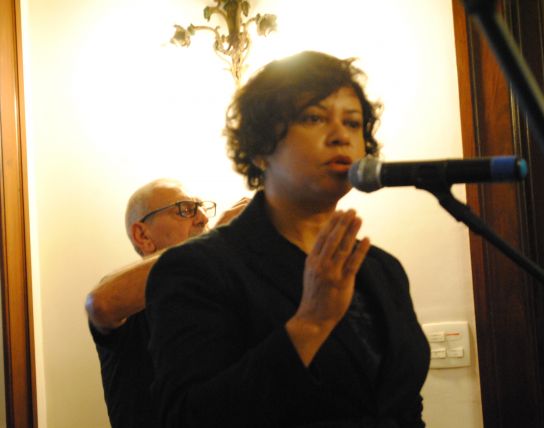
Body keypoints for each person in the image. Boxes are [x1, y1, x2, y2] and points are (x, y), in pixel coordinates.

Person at [146, 51, 431, 427]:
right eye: (314, 118)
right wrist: (312, 322)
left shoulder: (383, 268)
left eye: (352, 122)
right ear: (260, 149)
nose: (340, 136)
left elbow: (403, 405)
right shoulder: (197, 269)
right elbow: (188, 418)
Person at [85, 178, 247, 428]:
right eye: (185, 209)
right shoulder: (128, 304)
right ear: (143, 235)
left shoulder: (217, 298)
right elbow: (101, 303)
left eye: (201, 208)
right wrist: (216, 239)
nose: (203, 218)